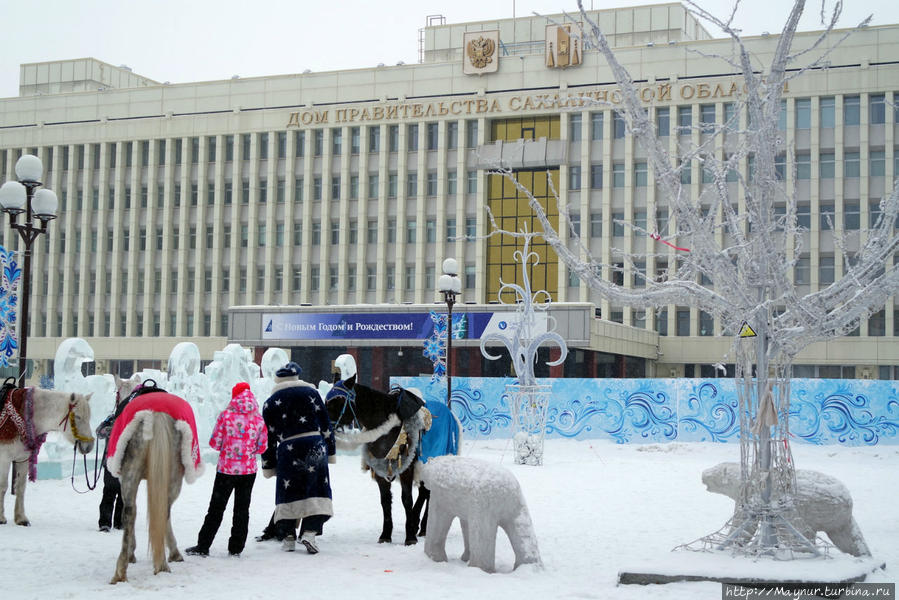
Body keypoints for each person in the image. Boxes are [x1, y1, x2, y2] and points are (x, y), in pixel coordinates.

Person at [185, 382, 267, 557]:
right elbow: (262, 447)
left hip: (226, 471)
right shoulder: (258, 419)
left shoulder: (226, 416)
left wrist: (228, 447)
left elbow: (214, 443)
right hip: (248, 472)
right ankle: (236, 548)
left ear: (234, 396)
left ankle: (203, 545)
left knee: (216, 508)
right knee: (242, 510)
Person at [261, 362, 335, 554]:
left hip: (288, 448)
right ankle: (310, 532)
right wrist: (331, 450)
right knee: (316, 488)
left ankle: (288, 536)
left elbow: (267, 436)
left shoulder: (271, 402)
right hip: (314, 444)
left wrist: (269, 464)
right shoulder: (312, 394)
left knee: (288, 491)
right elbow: (326, 423)